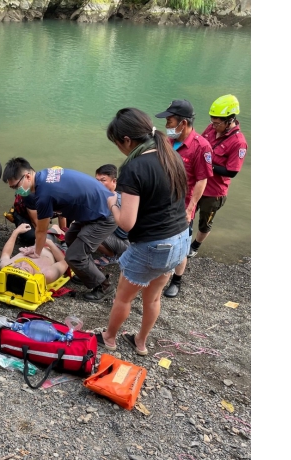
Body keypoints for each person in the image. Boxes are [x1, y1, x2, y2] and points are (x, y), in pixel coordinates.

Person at [97, 108, 189, 356]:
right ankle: (141, 342)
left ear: (127, 140)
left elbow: (126, 223)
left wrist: (112, 203)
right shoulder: (171, 155)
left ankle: (109, 338)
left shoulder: (134, 167)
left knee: (123, 298)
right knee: (153, 298)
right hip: (180, 240)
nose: (120, 149)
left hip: (153, 244)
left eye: (117, 143)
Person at [2, 158, 118, 302]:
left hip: (105, 214)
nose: (17, 191)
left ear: (27, 176)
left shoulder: (44, 195)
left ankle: (105, 287)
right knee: (70, 238)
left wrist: (37, 251)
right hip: (96, 207)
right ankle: (88, 273)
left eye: (16, 186)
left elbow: (41, 230)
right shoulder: (44, 175)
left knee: (73, 256)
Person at [154, 99, 213, 298]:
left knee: (181, 244)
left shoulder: (201, 147)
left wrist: (190, 208)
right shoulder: (168, 141)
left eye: (169, 121)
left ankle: (177, 280)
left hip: (183, 205)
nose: (167, 126)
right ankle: (158, 271)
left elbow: (202, 180)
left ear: (183, 123)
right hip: (163, 201)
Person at [188, 94, 249, 258]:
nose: (213, 126)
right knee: (187, 213)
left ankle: (195, 246)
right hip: (197, 184)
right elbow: (198, 144)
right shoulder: (211, 128)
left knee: (205, 222)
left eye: (217, 123)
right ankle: (184, 240)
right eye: (212, 122)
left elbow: (232, 171)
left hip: (214, 192)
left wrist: (207, 165)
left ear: (230, 120)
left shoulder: (239, 143)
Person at [0, 223, 68, 285]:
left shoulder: (7, 266)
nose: (23, 263)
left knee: (54, 227)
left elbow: (6, 253)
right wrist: (50, 244)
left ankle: (57, 230)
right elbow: (64, 262)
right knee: (70, 239)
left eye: (17, 267)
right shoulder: (46, 274)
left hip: (40, 244)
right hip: (58, 251)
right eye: (26, 269)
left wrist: (16, 232)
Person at [92, 164, 130, 267]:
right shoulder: (109, 195)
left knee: (90, 232)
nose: (99, 184)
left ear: (114, 181)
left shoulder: (116, 200)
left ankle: (111, 256)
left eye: (103, 180)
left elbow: (124, 233)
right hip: (115, 235)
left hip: (124, 242)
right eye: (97, 180)